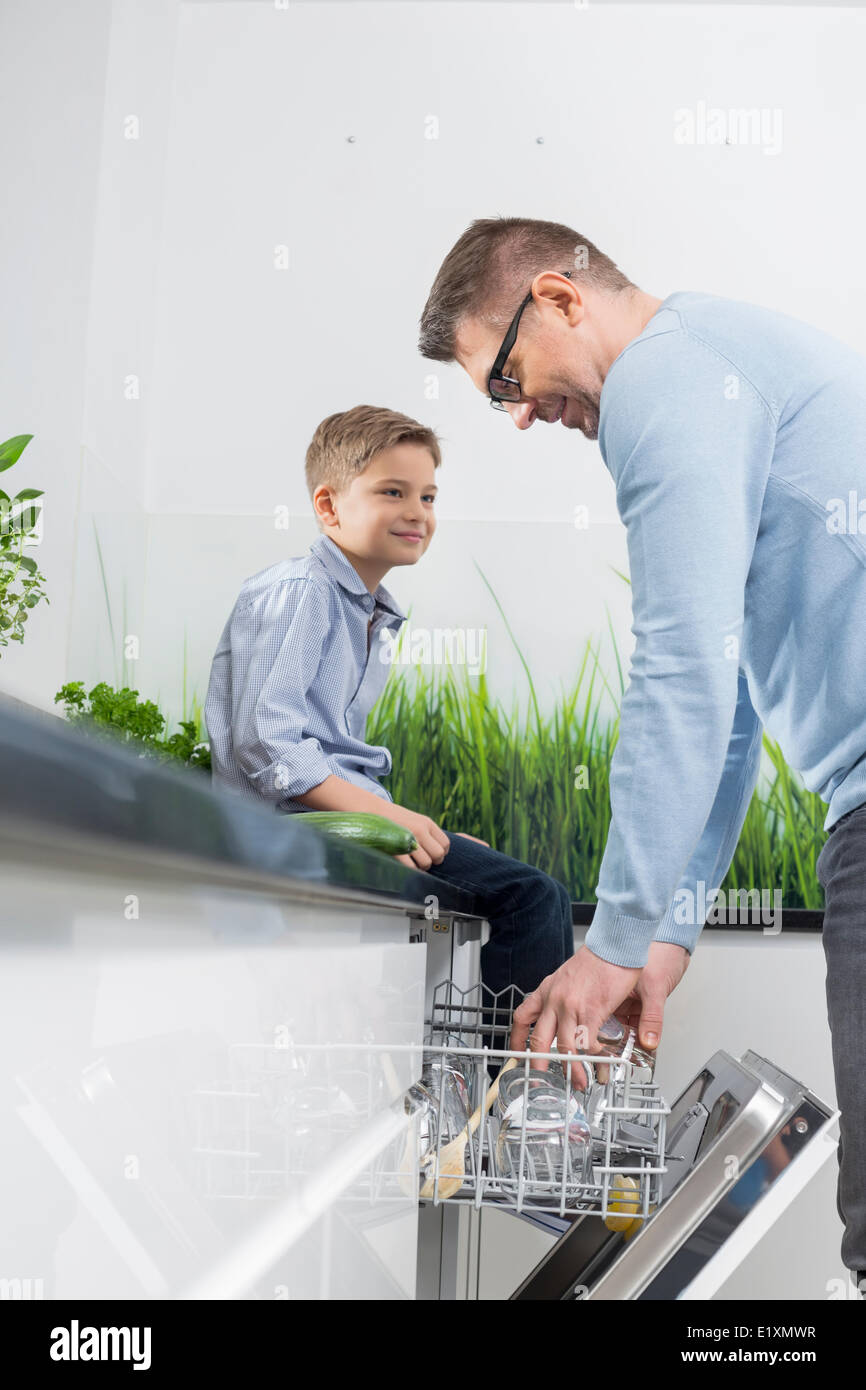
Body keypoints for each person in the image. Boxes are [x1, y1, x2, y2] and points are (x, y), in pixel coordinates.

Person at [419, 215, 866, 1288]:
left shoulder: (666, 382)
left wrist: (609, 945)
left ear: (561, 297)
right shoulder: (715, 360)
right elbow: (723, 709)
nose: (520, 415)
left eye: (507, 377)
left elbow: (677, 675)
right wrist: (659, 936)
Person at [203, 403, 573, 1019]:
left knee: (492, 886)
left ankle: (482, 1083)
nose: (417, 513)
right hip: (280, 829)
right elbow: (267, 744)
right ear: (329, 506)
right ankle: (522, 1095)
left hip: (331, 820)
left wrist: (418, 827)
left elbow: (330, 758)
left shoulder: (365, 609)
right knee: (532, 897)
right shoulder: (300, 591)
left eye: (428, 497)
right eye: (393, 492)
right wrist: (390, 819)